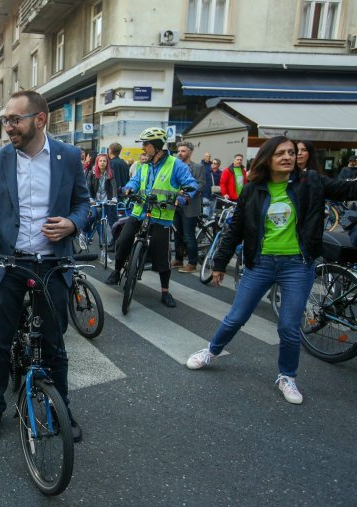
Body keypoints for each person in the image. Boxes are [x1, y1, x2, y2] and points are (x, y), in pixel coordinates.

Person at [186, 136, 357, 404]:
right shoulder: (254, 189)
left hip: (297, 266)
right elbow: (236, 228)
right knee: (236, 317)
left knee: (289, 326)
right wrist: (220, 263)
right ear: (268, 158)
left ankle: (287, 376)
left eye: (291, 152)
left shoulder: (311, 181)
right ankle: (211, 351)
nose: (288, 157)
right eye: (281, 153)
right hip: (261, 263)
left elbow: (348, 191)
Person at [0, 90, 89, 443]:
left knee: (54, 345)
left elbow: (84, 203)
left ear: (39, 119)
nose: (7, 127)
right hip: (9, 261)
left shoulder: (69, 156)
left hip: (52, 264)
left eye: (14, 120)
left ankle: (59, 406)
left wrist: (73, 223)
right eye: (5, 120)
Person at [104, 127, 197, 307]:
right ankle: (116, 271)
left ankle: (165, 291)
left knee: (160, 253)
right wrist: (129, 187)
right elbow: (135, 180)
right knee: (123, 241)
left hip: (161, 215)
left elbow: (191, 184)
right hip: (139, 212)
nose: (143, 148)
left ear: (156, 146)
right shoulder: (143, 165)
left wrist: (183, 197)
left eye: (146, 144)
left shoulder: (175, 164)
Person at [171, 141, 206, 273]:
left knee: (189, 235)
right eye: (179, 151)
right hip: (176, 205)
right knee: (177, 234)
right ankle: (178, 259)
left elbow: (201, 184)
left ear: (190, 152)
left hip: (190, 206)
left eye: (183, 151)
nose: (180, 153)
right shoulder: (175, 167)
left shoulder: (198, 167)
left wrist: (187, 192)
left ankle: (192, 263)